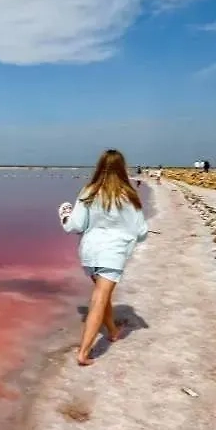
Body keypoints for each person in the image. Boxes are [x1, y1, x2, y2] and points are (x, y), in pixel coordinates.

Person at [57, 149, 149, 366]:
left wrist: (64, 213)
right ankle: (84, 352)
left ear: (100, 166)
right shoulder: (128, 195)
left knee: (102, 295)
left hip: (89, 253)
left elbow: (75, 225)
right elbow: (141, 231)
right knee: (99, 298)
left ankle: (114, 332)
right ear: (122, 168)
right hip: (112, 254)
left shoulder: (89, 191)